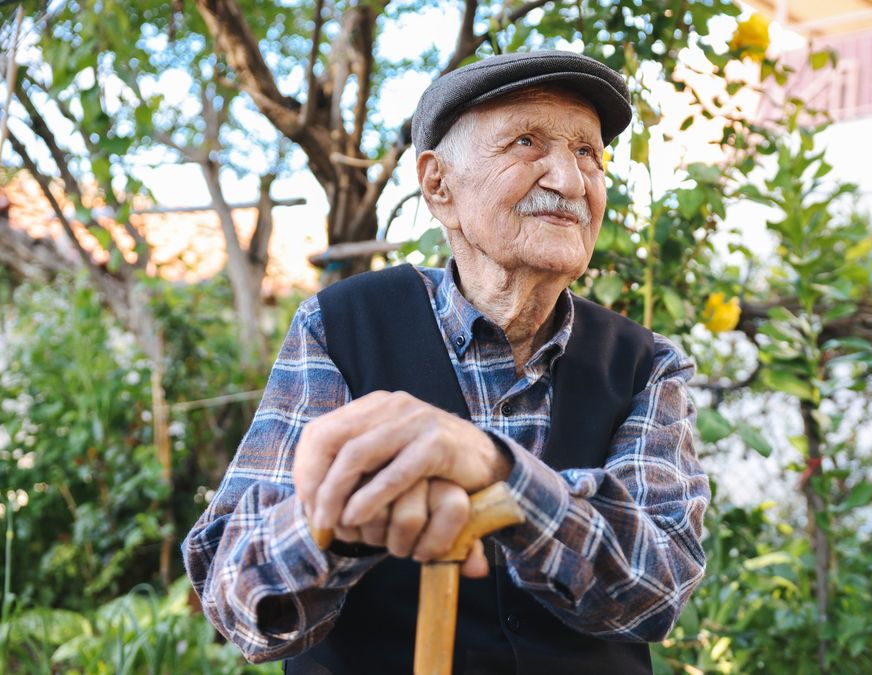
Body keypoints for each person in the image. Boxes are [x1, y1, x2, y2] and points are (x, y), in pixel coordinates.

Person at [183, 50, 709, 675]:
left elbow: (660, 584)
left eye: (588, 153)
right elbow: (237, 597)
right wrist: (347, 515)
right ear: (438, 185)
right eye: (526, 142)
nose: (570, 181)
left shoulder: (646, 364)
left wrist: (495, 471)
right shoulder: (339, 327)